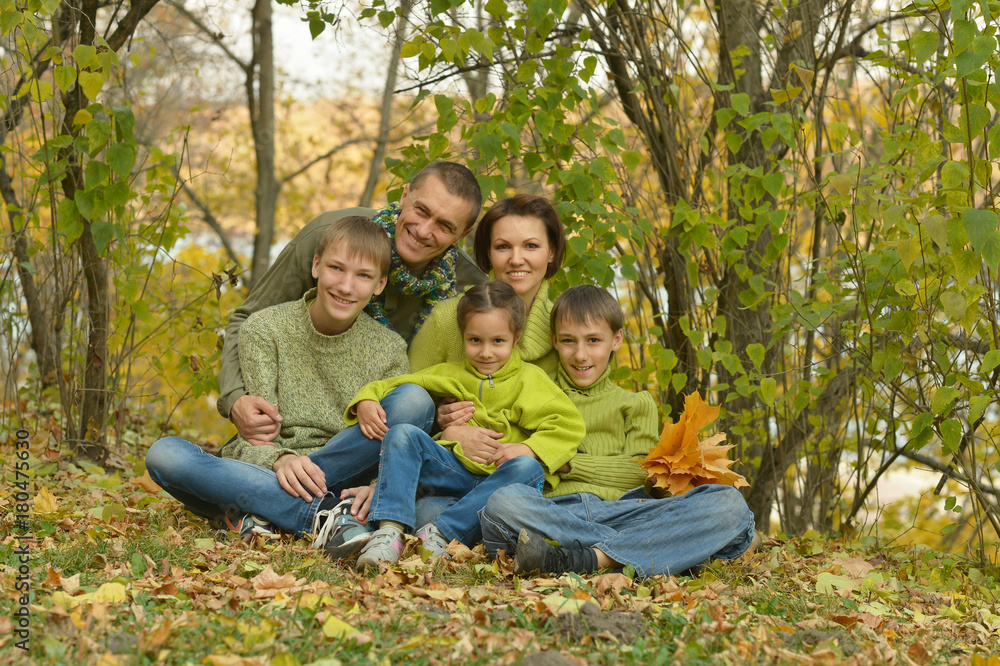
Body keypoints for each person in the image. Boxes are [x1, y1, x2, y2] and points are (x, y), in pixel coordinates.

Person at [145, 216, 435, 543]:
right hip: (274, 466)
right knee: (165, 455)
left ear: (379, 285)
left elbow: (394, 444)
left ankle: (261, 509)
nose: (345, 286)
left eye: (363, 276)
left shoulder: (388, 349)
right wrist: (280, 458)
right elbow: (257, 439)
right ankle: (323, 515)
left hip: (346, 471)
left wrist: (374, 486)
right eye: (336, 268)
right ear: (316, 266)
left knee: (415, 400)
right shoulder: (265, 330)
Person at [478, 285, 756, 578]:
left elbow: (639, 472)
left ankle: (585, 559)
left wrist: (563, 462)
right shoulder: (532, 390)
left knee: (729, 505)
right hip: (557, 511)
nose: (581, 354)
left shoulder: (636, 403)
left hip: (626, 510)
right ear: (554, 341)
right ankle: (665, 548)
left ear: (616, 339)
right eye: (569, 341)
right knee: (503, 502)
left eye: (594, 340)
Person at [219, 162, 487, 448]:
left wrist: (442, 415)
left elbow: (466, 375)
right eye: (421, 210)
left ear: (463, 234)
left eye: (445, 226)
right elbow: (249, 319)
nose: (423, 230)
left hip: (377, 434)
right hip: (288, 429)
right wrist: (236, 399)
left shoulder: (468, 289)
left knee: (413, 400)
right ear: (405, 195)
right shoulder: (331, 235)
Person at [340, 281, 586, 570]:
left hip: (497, 481)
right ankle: (389, 531)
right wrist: (367, 399)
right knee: (402, 433)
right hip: (451, 471)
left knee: (528, 469)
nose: (486, 352)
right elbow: (392, 385)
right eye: (475, 340)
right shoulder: (450, 374)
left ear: (516, 337)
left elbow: (569, 425)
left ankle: (441, 534)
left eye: (498, 341)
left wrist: (529, 448)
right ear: (463, 336)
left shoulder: (531, 381)